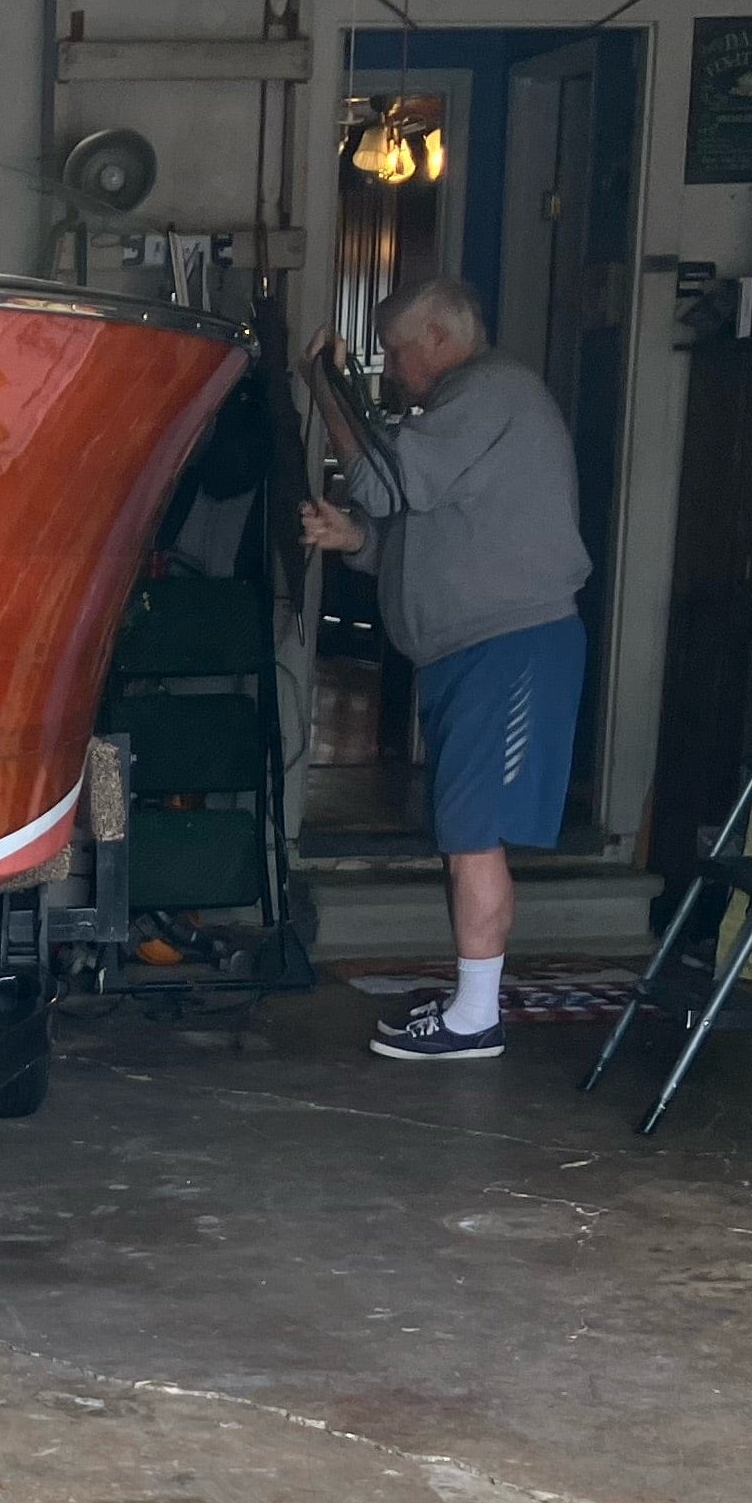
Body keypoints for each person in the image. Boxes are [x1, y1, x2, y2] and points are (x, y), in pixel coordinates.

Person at [298, 276, 592, 1063]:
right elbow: (424, 532)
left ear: (438, 337)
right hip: (472, 651)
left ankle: (474, 1019)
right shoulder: (472, 408)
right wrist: (353, 541)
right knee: (464, 829)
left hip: (512, 644)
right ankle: (472, 1007)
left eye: (396, 350)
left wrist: (326, 389)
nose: (392, 369)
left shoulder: (492, 391)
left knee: (473, 834)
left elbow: (389, 482)